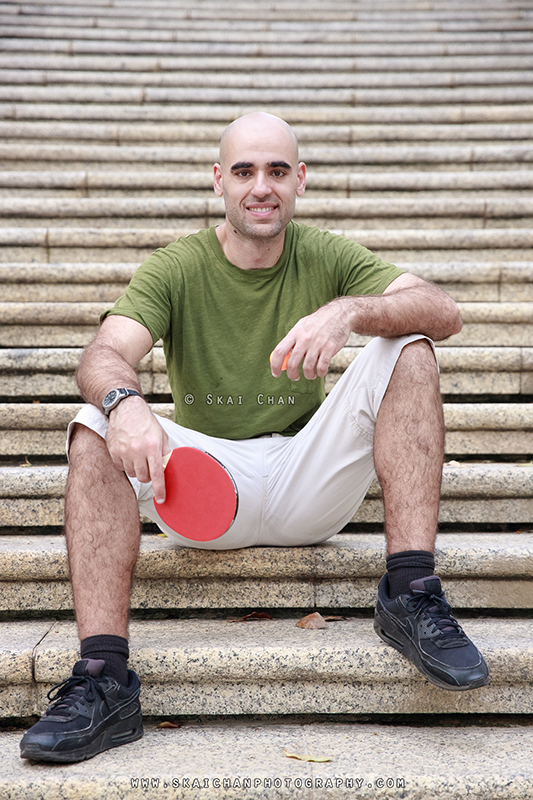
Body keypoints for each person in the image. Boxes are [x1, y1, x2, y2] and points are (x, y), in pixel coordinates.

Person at [20, 112, 489, 764]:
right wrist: (126, 403)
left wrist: (349, 309)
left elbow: (445, 312)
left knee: (408, 343)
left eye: (275, 171)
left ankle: (409, 595)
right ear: (219, 180)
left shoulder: (324, 254)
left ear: (299, 180)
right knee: (95, 419)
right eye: (243, 170)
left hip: (306, 480)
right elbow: (105, 351)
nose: (259, 186)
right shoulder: (177, 266)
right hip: (202, 488)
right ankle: (103, 680)